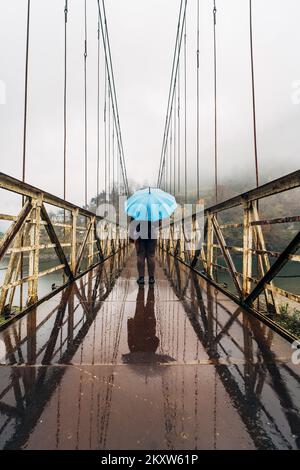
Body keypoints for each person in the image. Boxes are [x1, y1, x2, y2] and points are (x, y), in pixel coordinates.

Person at [129, 219, 159, 285]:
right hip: (151, 235)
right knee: (151, 256)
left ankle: (141, 278)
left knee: (140, 255)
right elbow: (158, 224)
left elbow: (132, 224)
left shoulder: (137, 209)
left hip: (140, 235)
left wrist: (131, 237)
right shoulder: (153, 210)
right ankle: (151, 278)